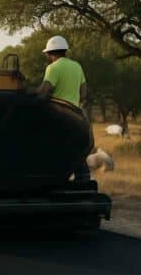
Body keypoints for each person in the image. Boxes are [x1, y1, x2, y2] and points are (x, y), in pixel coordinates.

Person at [27, 35, 93, 182]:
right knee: (75, 150)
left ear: (50, 54)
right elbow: (83, 93)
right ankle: (83, 178)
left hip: (58, 117)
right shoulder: (77, 66)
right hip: (76, 116)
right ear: (65, 51)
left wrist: (29, 96)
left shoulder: (53, 68)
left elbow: (44, 93)